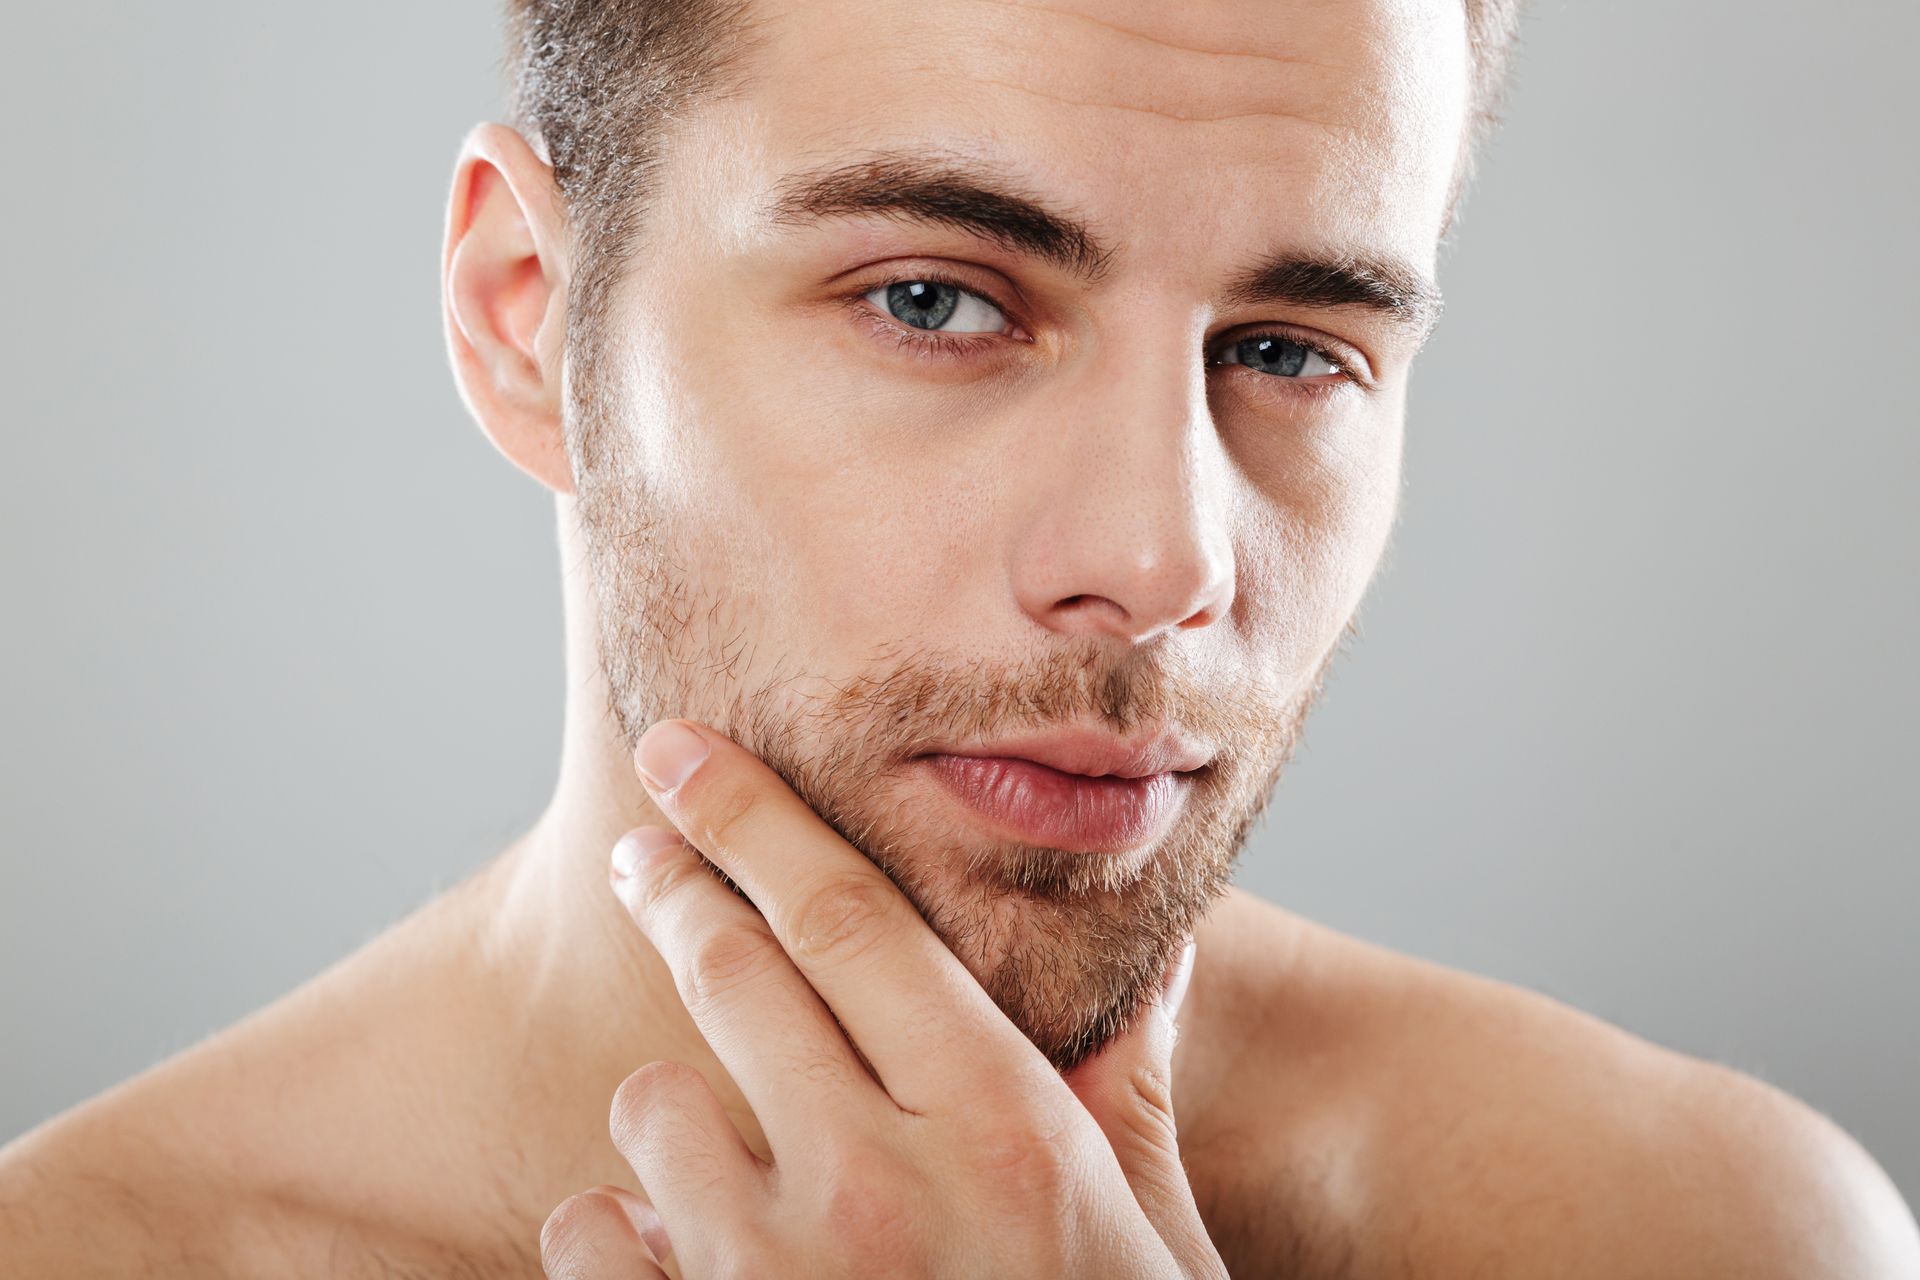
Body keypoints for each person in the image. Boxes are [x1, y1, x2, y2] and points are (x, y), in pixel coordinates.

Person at [3, 0, 1916, 1275]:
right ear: (527, 318)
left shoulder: (1695, 1234)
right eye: (933, 300)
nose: (1163, 560)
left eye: (1286, 350)